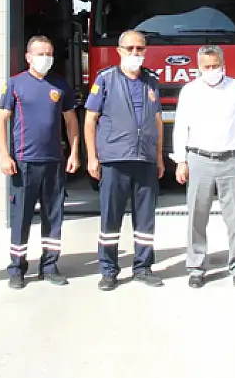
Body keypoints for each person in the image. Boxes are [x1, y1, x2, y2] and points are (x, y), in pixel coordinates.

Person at [0, 35, 81, 289]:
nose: (46, 59)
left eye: (49, 54)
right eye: (40, 54)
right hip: (23, 162)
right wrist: (4, 155)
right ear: (28, 57)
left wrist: (74, 153)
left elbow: (71, 122)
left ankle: (50, 265)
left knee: (53, 216)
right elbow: (1, 121)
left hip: (54, 162)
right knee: (21, 217)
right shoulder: (15, 84)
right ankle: (17, 268)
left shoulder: (60, 85)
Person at [172, 45, 235, 290]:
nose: (211, 70)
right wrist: (180, 161)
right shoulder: (189, 91)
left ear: (223, 64)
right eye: (206, 66)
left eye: (215, 66)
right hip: (198, 159)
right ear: (198, 67)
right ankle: (196, 267)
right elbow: (180, 127)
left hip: (231, 159)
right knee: (196, 217)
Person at [84, 29, 166, 291]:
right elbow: (89, 120)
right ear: (119, 51)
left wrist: (160, 156)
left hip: (145, 158)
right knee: (111, 218)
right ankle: (109, 270)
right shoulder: (105, 79)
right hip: (114, 159)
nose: (135, 53)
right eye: (129, 49)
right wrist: (92, 158)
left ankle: (143, 267)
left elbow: (157, 121)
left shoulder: (151, 80)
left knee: (145, 219)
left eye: (140, 49)